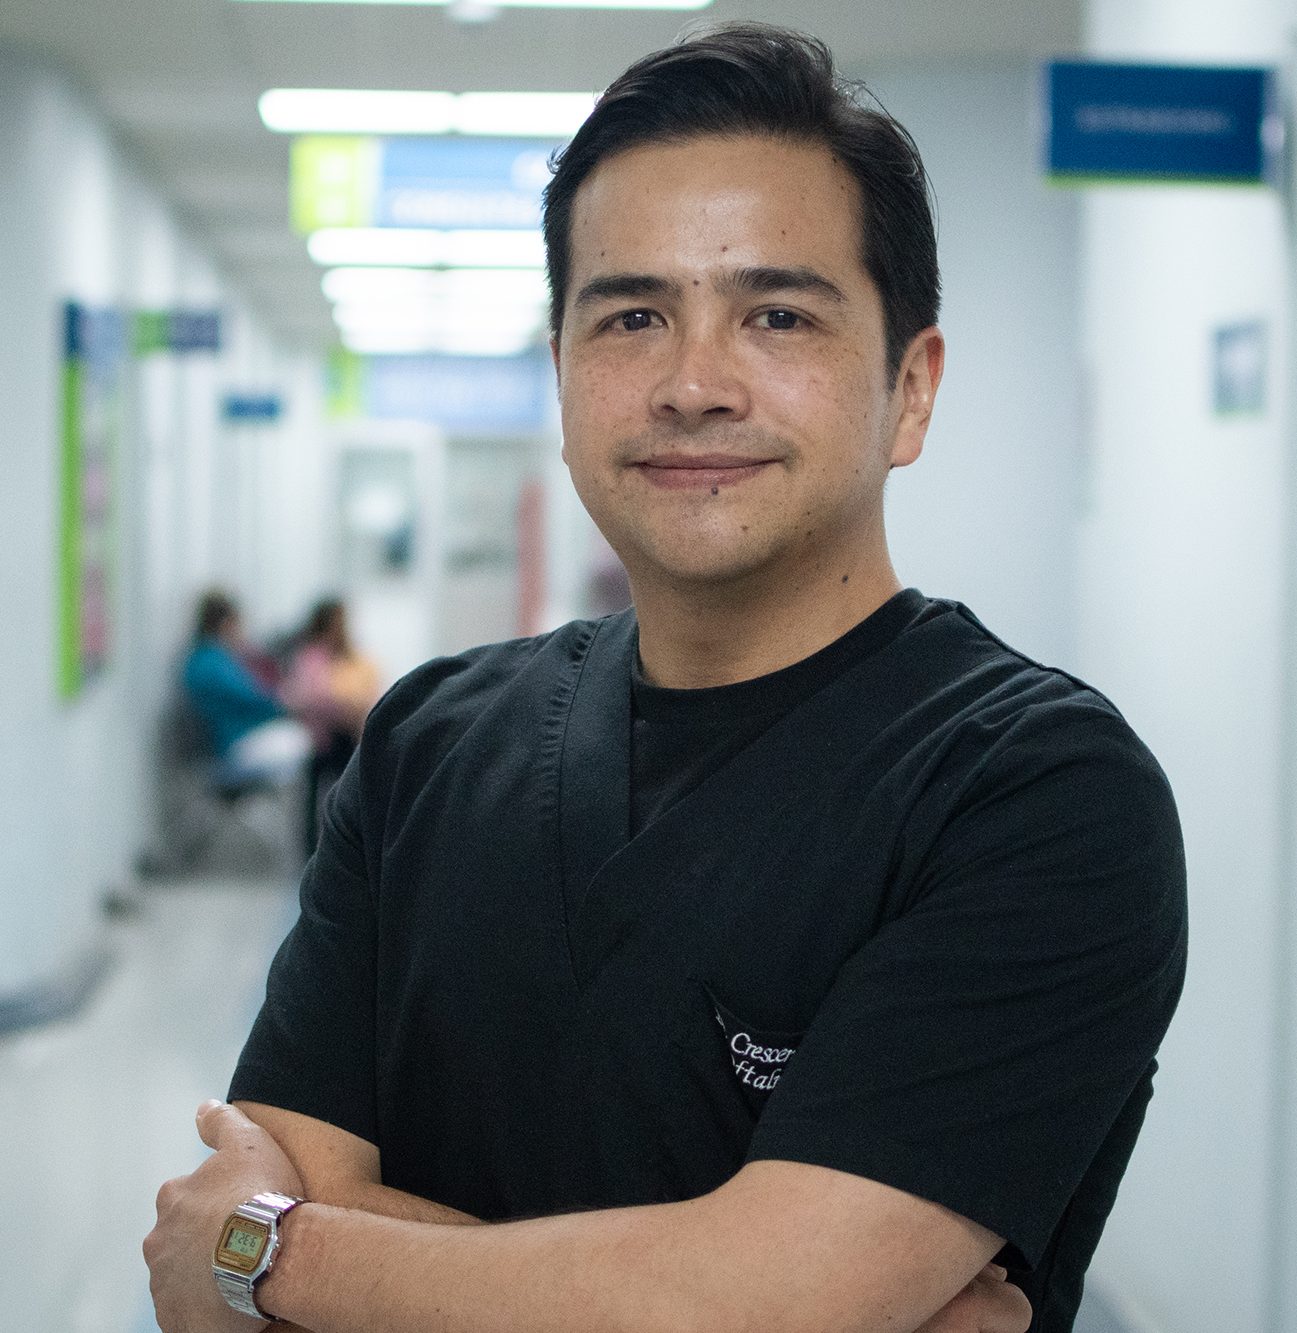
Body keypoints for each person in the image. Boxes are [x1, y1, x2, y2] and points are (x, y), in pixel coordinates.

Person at [145, 24, 1187, 1333]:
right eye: (632, 316)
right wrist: (728, 1283)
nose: (693, 383)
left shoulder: (1033, 793)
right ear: (564, 374)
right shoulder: (427, 743)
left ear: (910, 391)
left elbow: (239, 1259)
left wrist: (272, 1254)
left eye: (777, 315)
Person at [280, 596, 382, 852]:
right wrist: (348, 706)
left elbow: (368, 689)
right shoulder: (312, 656)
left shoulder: (350, 657)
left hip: (346, 733)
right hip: (324, 737)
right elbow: (311, 697)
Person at [181, 589, 310, 790]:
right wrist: (284, 701)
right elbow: (251, 698)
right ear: (226, 624)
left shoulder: (205, 659)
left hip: (232, 742)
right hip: (232, 747)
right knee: (300, 740)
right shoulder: (212, 662)